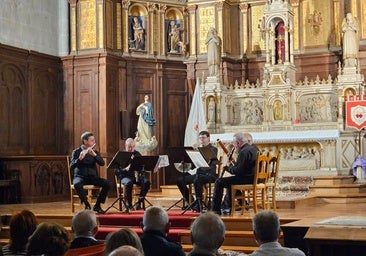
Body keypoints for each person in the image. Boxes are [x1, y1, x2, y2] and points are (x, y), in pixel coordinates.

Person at [211, 132, 259, 215]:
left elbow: (239, 172)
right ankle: (228, 206)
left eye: (234, 144)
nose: (234, 146)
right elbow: (243, 167)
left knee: (219, 182)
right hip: (253, 178)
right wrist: (234, 165)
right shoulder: (254, 149)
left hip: (246, 179)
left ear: (238, 143)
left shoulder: (243, 152)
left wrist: (229, 167)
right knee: (230, 182)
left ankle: (215, 210)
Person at [70, 131, 111, 214]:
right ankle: (87, 204)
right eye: (92, 140)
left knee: (107, 183)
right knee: (77, 184)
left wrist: (94, 155)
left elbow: (102, 163)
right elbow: (71, 166)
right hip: (80, 177)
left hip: (92, 178)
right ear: (85, 141)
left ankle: (97, 205)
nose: (94, 142)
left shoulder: (94, 151)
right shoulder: (76, 152)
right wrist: (79, 159)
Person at [177, 130, 218, 212]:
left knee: (197, 179)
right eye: (200, 138)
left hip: (209, 174)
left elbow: (208, 162)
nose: (201, 140)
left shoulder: (213, 149)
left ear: (208, 138)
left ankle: (199, 204)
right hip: (199, 174)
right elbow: (194, 164)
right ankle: (191, 202)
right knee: (180, 180)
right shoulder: (198, 149)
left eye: (203, 138)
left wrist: (197, 151)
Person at [119, 138, 151, 210]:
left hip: (136, 177)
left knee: (146, 182)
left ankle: (139, 203)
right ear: (125, 146)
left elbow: (143, 165)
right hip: (125, 177)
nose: (131, 148)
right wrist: (126, 169)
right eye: (129, 147)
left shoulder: (137, 153)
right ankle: (129, 204)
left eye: (133, 146)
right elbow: (117, 170)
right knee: (129, 183)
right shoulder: (121, 154)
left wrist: (147, 168)